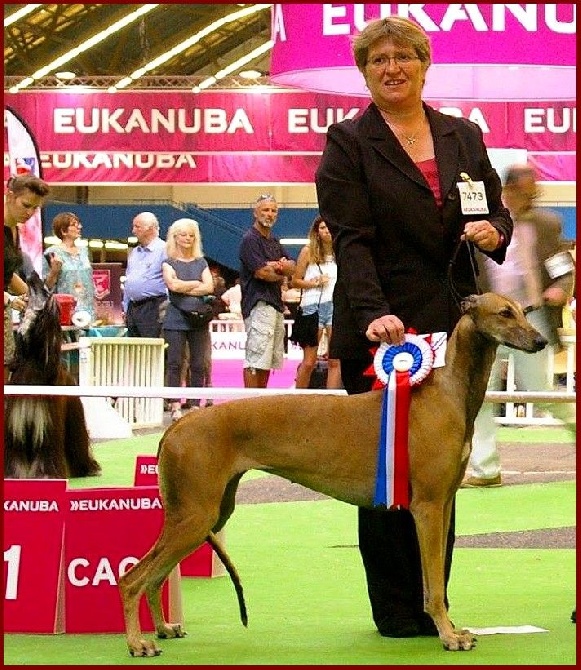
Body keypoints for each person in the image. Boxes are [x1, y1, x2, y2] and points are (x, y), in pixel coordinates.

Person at [314, 16, 513, 638]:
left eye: (403, 57)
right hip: (385, 329)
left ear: (424, 64)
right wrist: (374, 315)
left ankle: (436, 605)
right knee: (378, 471)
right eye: (378, 60)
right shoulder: (348, 142)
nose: (391, 67)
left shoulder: (462, 135)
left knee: (439, 472)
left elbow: (495, 207)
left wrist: (495, 232)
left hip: (452, 325)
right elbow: (352, 239)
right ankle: (397, 612)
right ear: (365, 71)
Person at [462, 165, 576, 488]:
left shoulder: (547, 223)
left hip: (529, 317)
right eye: (528, 190)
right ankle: (485, 469)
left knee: (541, 394)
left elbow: (562, 268)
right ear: (508, 189)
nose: (533, 195)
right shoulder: (484, 223)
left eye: (534, 191)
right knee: (480, 393)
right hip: (489, 321)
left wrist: (560, 287)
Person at [239, 194, 296, 388]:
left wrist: (279, 268)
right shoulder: (250, 240)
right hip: (259, 305)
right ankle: (249, 403)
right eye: (265, 210)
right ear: (255, 213)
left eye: (273, 210)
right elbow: (262, 273)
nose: (269, 214)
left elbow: (293, 266)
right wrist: (280, 272)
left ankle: (261, 401)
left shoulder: (274, 241)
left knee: (268, 360)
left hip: (275, 305)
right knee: (256, 358)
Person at [162, 218, 214, 420]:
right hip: (175, 320)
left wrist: (184, 285)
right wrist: (195, 283)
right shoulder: (168, 262)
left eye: (191, 235)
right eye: (183, 235)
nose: (187, 239)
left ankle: (194, 405)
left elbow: (209, 287)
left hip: (198, 320)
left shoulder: (201, 262)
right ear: (175, 237)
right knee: (175, 362)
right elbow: (172, 286)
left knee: (198, 363)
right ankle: (174, 404)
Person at [4, 174, 50, 381]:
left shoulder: (14, 230)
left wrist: (36, 297)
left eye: (36, 208)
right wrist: (9, 299)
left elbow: (7, 272)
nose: (30, 213)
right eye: (26, 205)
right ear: (9, 196)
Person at [290, 215, 341, 389]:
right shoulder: (307, 251)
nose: (327, 231)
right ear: (317, 232)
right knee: (309, 360)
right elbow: (295, 281)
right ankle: (299, 397)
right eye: (322, 228)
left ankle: (331, 400)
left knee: (335, 359)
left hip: (335, 306)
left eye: (329, 228)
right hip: (312, 307)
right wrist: (314, 282)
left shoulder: (339, 253)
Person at [43, 212, 96, 323]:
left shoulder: (84, 251)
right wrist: (54, 272)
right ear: (63, 230)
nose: (79, 227)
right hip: (65, 310)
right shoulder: (52, 253)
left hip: (88, 309)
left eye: (79, 224)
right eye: (74, 225)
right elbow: (46, 287)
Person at [123, 212, 167, 338]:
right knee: (134, 351)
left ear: (151, 228)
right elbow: (128, 280)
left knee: (152, 349)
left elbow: (170, 281)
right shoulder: (135, 252)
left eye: (137, 227)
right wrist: (125, 307)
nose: (133, 231)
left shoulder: (165, 250)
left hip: (154, 307)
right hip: (133, 308)